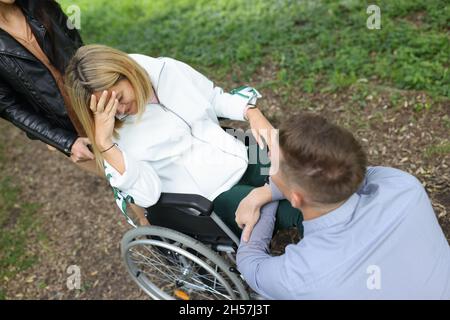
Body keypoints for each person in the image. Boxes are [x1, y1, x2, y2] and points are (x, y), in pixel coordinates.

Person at [64, 44, 303, 232]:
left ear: (127, 72)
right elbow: (147, 196)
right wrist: (106, 146)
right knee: (294, 211)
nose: (120, 110)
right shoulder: (111, 137)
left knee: (309, 179)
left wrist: (252, 112)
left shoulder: (167, 71)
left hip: (236, 156)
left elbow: (213, 97)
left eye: (121, 98)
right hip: (211, 197)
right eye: (108, 108)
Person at [236, 112, 450, 299]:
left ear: (297, 198)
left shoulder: (302, 275)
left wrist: (262, 198)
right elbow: (355, 174)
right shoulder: (404, 187)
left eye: (273, 161)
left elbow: (251, 263)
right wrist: (272, 191)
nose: (269, 155)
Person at [0, 0, 100, 171]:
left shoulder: (41, 3)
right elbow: (9, 107)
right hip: (69, 126)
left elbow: (78, 49)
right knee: (124, 183)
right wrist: (64, 141)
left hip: (98, 100)